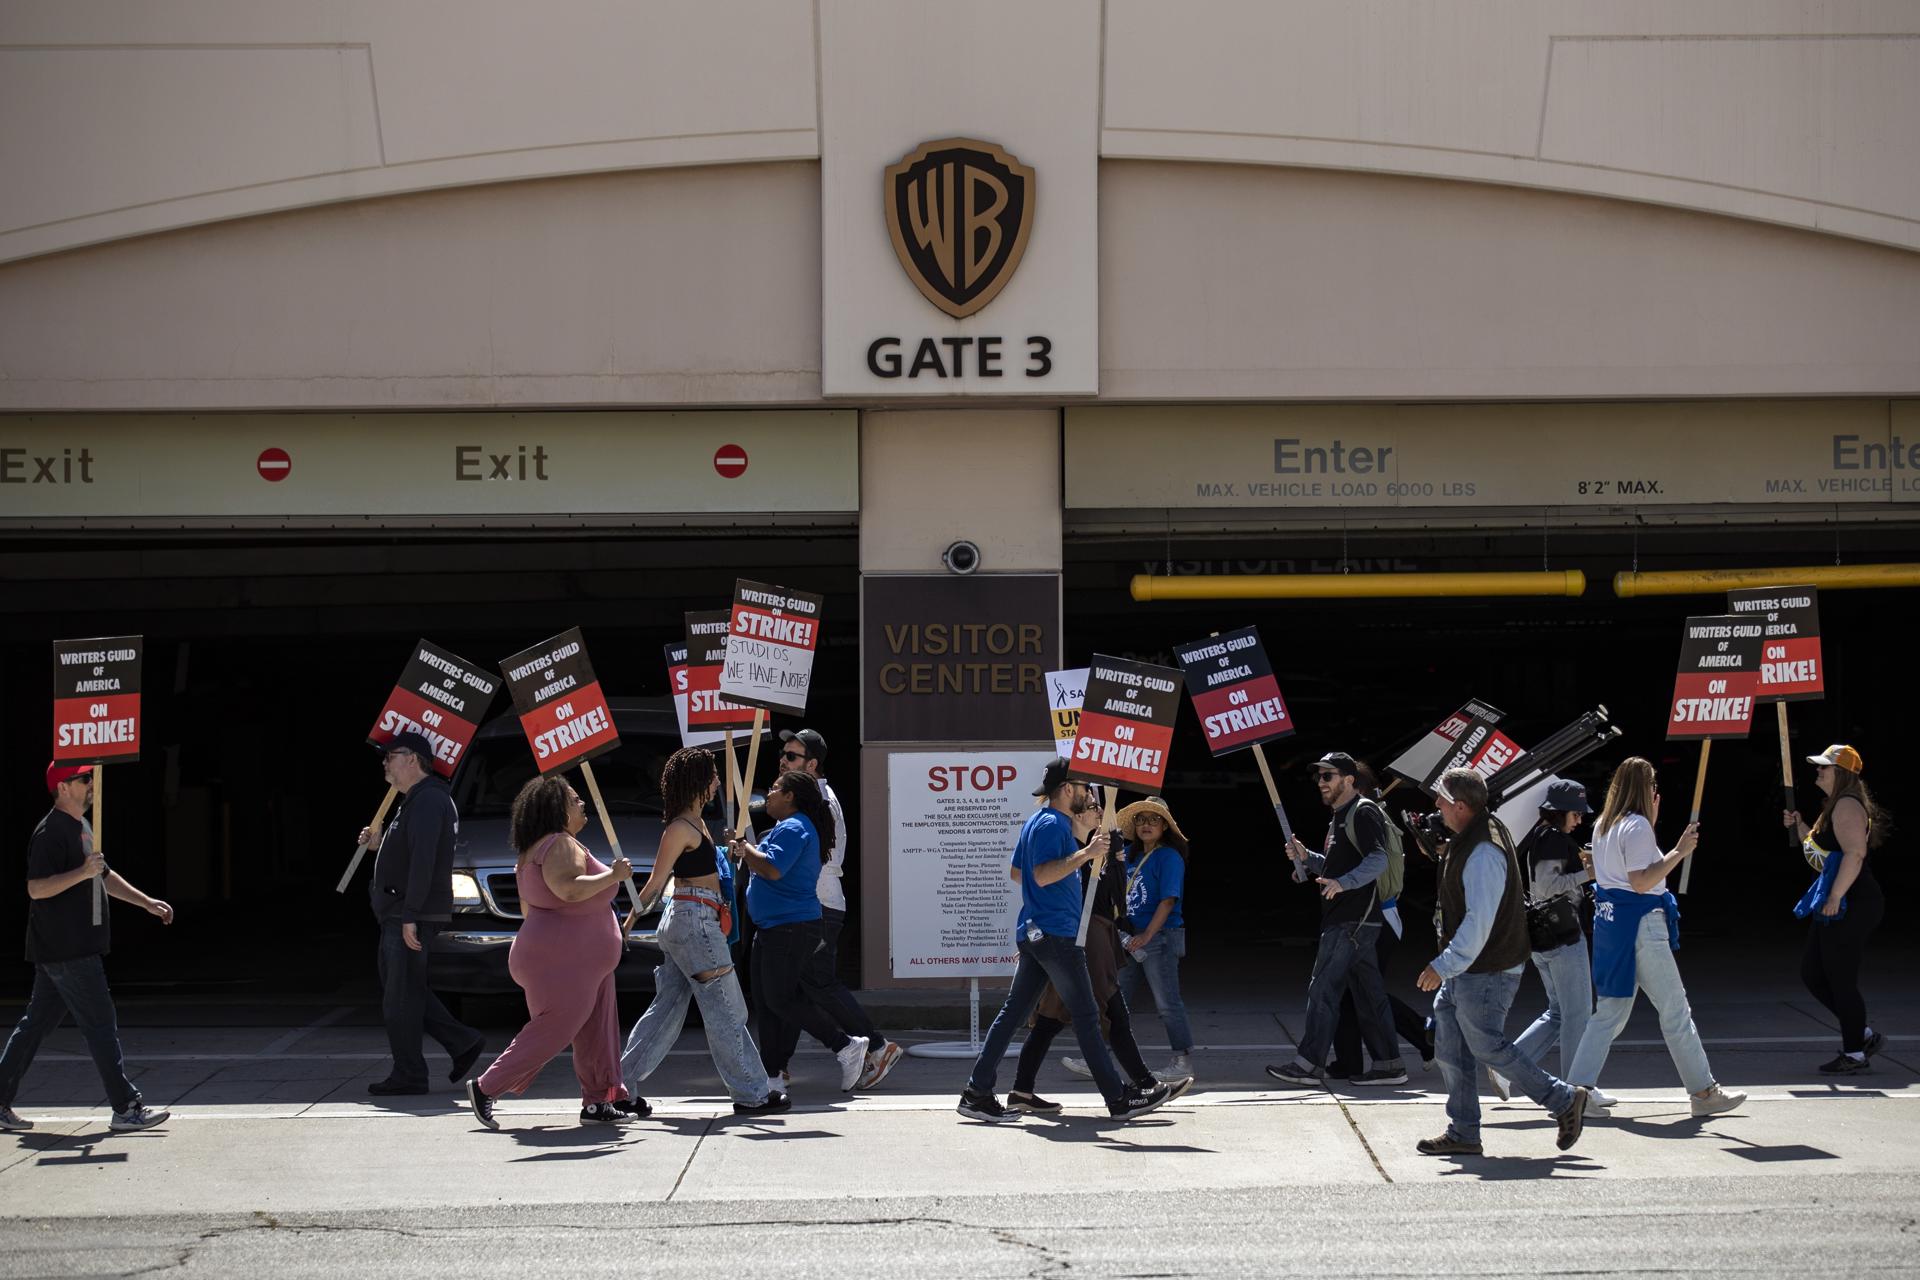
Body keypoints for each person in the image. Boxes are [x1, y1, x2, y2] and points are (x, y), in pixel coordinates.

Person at [956, 759, 1171, 1123]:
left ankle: (977, 1092)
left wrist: (1076, 859)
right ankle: (1118, 1099)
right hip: (1056, 934)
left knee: (1015, 1014)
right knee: (1087, 1016)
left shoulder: (1038, 823)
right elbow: (1039, 875)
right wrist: (1085, 854)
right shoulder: (1054, 823)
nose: (1088, 795)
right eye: (1085, 788)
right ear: (1068, 789)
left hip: (1039, 932)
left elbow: (1017, 872)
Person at [1413, 768, 1588, 1156]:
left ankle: (1563, 1099)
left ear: (1460, 806)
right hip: (1469, 968)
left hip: (1486, 968)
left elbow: (1479, 922)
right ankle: (1464, 1132)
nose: (1436, 807)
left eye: (1441, 800)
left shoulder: (1483, 852)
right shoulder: (1469, 837)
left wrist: (1442, 964)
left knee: (1487, 1046)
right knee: (1450, 1049)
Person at [1565, 757, 1745, 1119]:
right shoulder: (1637, 827)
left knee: (1610, 1012)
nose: (1654, 791)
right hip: (1642, 923)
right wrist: (1680, 850)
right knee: (1675, 1010)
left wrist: (1654, 829)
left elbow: (1608, 873)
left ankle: (1576, 1093)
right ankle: (1703, 1091)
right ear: (1643, 789)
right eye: (1651, 785)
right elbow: (1642, 881)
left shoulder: (1603, 825)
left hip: (1612, 925)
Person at [0, 763, 174, 1134]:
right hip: (68, 949)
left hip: (64, 949)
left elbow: (104, 876)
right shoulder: (50, 832)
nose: (91, 783)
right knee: (100, 1024)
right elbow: (36, 888)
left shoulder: (80, 826)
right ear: (63, 787)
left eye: (90, 777)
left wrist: (147, 902)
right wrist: (82, 872)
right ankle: (126, 1107)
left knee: (35, 1026)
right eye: (84, 779)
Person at [620, 747, 789, 1116]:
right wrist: (629, 920)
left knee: (666, 1009)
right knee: (727, 1009)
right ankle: (752, 1093)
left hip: (695, 920)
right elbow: (655, 882)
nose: (716, 782)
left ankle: (621, 1086)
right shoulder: (680, 827)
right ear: (696, 781)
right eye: (712, 775)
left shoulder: (696, 825)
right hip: (694, 921)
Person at [466, 773, 635, 1129]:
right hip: (566, 961)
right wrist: (613, 876)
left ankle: (597, 1101)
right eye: (575, 800)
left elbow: (533, 909)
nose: (582, 804)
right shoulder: (560, 843)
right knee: (555, 1030)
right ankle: (486, 1087)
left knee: (595, 1029)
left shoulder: (534, 849)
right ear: (557, 808)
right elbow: (568, 890)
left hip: (574, 959)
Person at [1027, 790, 1191, 1111]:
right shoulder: (1072, 846)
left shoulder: (1112, 846)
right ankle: (1127, 1092)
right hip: (1079, 937)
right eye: (1092, 808)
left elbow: (1119, 896)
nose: (1099, 812)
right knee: (1102, 1014)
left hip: (1098, 935)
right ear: (1078, 815)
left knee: (1061, 1018)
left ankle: (1018, 1088)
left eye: (1099, 806)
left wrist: (1108, 851)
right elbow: (1044, 884)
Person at [1267, 752, 1408, 1087]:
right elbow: (1337, 866)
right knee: (1369, 997)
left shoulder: (1362, 812)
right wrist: (1308, 859)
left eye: (1328, 776)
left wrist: (1343, 884)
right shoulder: (1340, 818)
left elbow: (1378, 860)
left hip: (1351, 920)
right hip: (1357, 921)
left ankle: (1308, 1065)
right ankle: (1390, 1066)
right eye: (1319, 777)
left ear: (1348, 780)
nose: (1321, 783)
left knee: (1324, 991)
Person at [358, 731, 485, 1096]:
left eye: (390, 756)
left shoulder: (428, 800)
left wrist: (411, 913)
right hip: (402, 912)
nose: (384, 762)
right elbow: (409, 852)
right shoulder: (415, 801)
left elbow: (424, 860)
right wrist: (379, 844)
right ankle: (462, 1042)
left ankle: (409, 1074)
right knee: (405, 991)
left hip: (408, 914)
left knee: (400, 998)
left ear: (412, 759)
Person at [777, 727, 903, 1089]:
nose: (782, 761)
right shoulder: (807, 799)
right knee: (791, 987)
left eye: (791, 757)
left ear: (812, 764)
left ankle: (877, 1046)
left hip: (817, 904)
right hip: (814, 903)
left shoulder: (817, 802)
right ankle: (778, 1065)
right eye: (783, 754)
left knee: (816, 982)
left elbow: (813, 857)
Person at [733, 770, 870, 1093]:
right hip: (773, 927)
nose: (768, 794)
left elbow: (773, 868)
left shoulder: (796, 827)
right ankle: (772, 1075)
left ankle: (845, 1045)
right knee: (767, 1002)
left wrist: (745, 849)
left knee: (781, 999)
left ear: (790, 797)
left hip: (791, 927)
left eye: (775, 789)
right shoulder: (785, 827)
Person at [1488, 779, 1596, 1101]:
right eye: (1576, 814)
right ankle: (1578, 1091)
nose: (1579, 820)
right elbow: (1547, 887)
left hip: (1545, 939)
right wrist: (1589, 873)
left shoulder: (1539, 837)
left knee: (1559, 1014)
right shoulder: (1552, 839)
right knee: (1577, 1015)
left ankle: (1506, 1069)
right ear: (1559, 812)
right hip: (1563, 939)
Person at [1784, 744, 1889, 1075]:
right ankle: (1863, 1035)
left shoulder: (1846, 805)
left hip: (1853, 903)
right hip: (1839, 902)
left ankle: (1855, 1053)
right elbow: (1822, 857)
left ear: (1841, 774)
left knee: (1840, 978)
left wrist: (1835, 897)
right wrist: (1800, 827)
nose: (1818, 770)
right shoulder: (1833, 807)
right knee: (1813, 974)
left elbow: (1854, 854)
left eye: (1824, 767)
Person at [1330, 764, 1436, 1077]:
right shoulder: (1358, 820)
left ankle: (1424, 1032)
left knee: (1363, 992)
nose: (1326, 787)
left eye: (1332, 780)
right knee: (1352, 993)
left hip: (1376, 917)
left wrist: (1348, 887)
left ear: (1353, 787)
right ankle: (1349, 1061)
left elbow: (1384, 878)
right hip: (1372, 917)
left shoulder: (1370, 821)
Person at [1113, 797, 1195, 1080]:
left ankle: (1182, 1063)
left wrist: (1147, 935)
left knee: (1167, 1002)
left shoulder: (1169, 857)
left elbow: (1168, 900)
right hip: (1131, 939)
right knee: (1116, 998)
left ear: (1165, 826)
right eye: (1141, 819)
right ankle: (1102, 1058)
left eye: (1154, 820)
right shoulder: (1128, 855)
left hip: (1159, 937)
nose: (1146, 825)